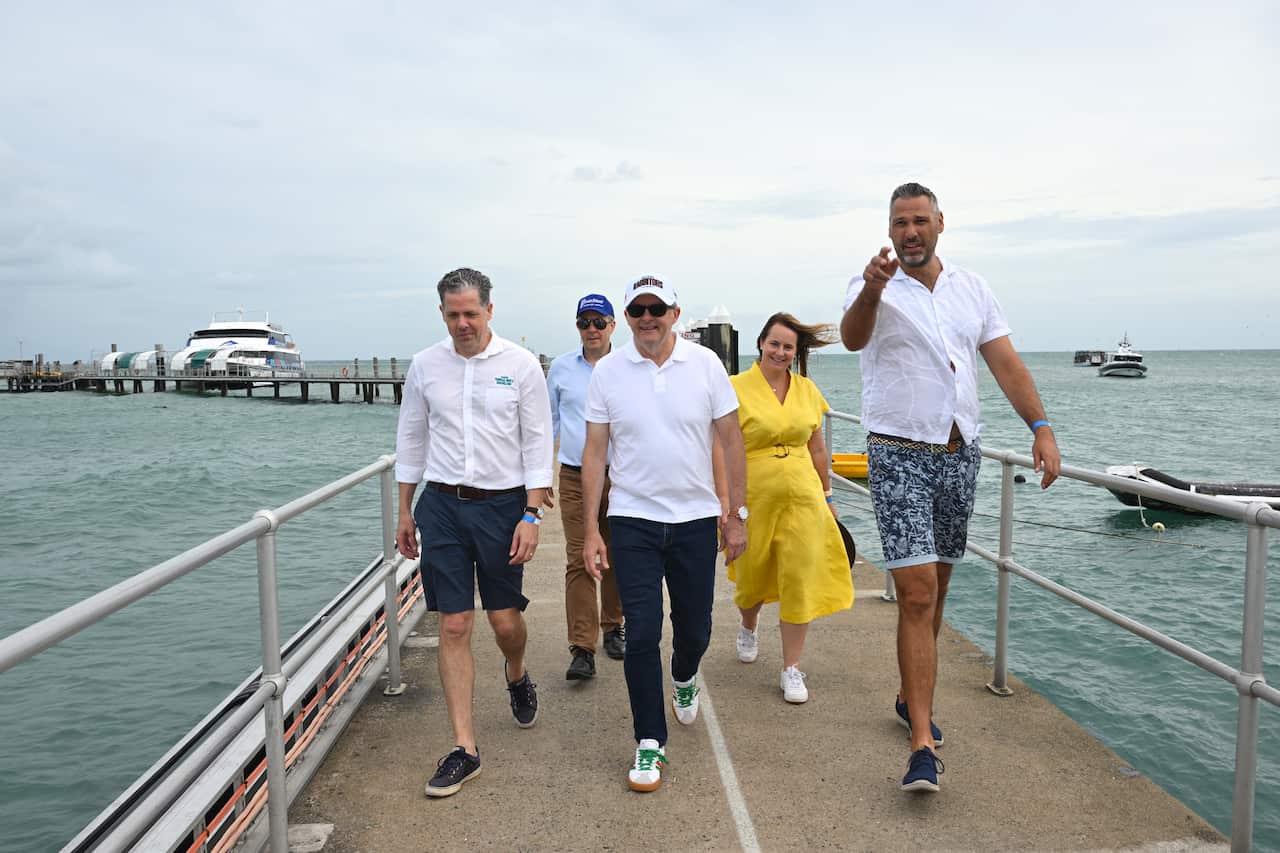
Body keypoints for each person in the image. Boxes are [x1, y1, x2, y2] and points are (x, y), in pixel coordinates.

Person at [841, 183, 1061, 794]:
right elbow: (854, 336)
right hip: (897, 450)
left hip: (961, 452)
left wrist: (1040, 428)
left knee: (935, 589)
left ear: (940, 223)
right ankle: (920, 744)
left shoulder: (972, 287)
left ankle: (909, 695)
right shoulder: (872, 286)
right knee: (913, 594)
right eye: (898, 223)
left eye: (918, 221)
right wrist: (874, 288)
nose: (908, 232)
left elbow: (1005, 363)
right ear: (888, 230)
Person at [581, 276, 748, 792]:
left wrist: (736, 513)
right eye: (637, 309)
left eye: (657, 308)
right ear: (626, 317)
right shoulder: (608, 372)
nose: (647, 317)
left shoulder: (705, 365)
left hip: (696, 518)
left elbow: (731, 437)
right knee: (642, 633)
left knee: (694, 628)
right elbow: (594, 452)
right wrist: (591, 528)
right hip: (633, 520)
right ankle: (649, 742)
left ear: (675, 313)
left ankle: (683, 678)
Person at [394, 267, 554, 799]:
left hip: (502, 507)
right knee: (455, 624)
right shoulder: (425, 366)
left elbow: (537, 443)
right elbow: (412, 437)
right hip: (441, 505)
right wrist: (404, 510)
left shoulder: (520, 365)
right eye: (453, 314)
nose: (463, 323)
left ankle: (516, 671)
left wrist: (531, 515)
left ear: (489, 310)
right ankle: (466, 748)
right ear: (441, 313)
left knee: (505, 621)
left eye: (471, 313)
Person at [719, 313, 853, 704]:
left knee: (799, 578)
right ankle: (748, 624)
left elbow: (816, 448)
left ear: (796, 352)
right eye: (774, 343)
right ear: (761, 343)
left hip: (803, 496)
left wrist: (828, 497)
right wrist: (726, 505)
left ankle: (791, 668)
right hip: (754, 496)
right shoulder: (734, 387)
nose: (780, 352)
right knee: (752, 575)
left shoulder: (807, 390)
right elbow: (722, 448)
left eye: (788, 346)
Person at [546, 293, 626, 681]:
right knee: (579, 557)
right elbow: (549, 425)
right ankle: (582, 647)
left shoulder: (630, 366)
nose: (591, 330)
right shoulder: (561, 369)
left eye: (599, 322)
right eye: (584, 322)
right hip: (576, 476)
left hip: (625, 475)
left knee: (617, 554)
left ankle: (613, 625)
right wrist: (540, 479)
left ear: (613, 325)